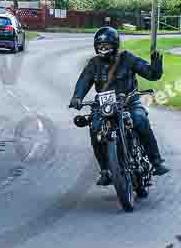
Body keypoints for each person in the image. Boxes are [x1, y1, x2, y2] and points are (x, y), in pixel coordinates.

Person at [68, 27, 169, 186]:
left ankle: (156, 161)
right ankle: (105, 170)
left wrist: (156, 69)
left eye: (106, 45)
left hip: (129, 101)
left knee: (140, 119)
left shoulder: (127, 58)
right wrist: (77, 97)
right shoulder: (94, 64)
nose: (103, 48)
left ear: (115, 45)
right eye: (100, 45)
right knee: (95, 129)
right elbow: (84, 80)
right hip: (104, 105)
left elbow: (150, 73)